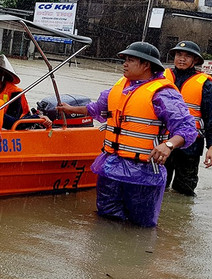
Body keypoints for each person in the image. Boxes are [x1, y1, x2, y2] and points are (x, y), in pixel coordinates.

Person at [56, 41, 197, 227]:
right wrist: (70, 109)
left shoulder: (163, 93)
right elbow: (97, 109)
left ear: (146, 65)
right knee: (106, 221)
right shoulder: (120, 87)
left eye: (130, 60)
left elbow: (187, 128)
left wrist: (169, 145)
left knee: (139, 227)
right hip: (111, 168)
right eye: (125, 60)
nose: (124, 64)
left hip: (144, 173)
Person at [163, 40, 212, 196]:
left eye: (187, 56)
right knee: (158, 187)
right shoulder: (161, 77)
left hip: (190, 147)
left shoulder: (204, 83)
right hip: (162, 142)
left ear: (195, 60)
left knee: (184, 192)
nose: (182, 59)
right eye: (179, 54)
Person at [0, 55, 50, 129]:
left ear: (2, 73)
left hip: (16, 123)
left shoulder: (15, 92)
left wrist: (37, 117)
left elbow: (12, 121)